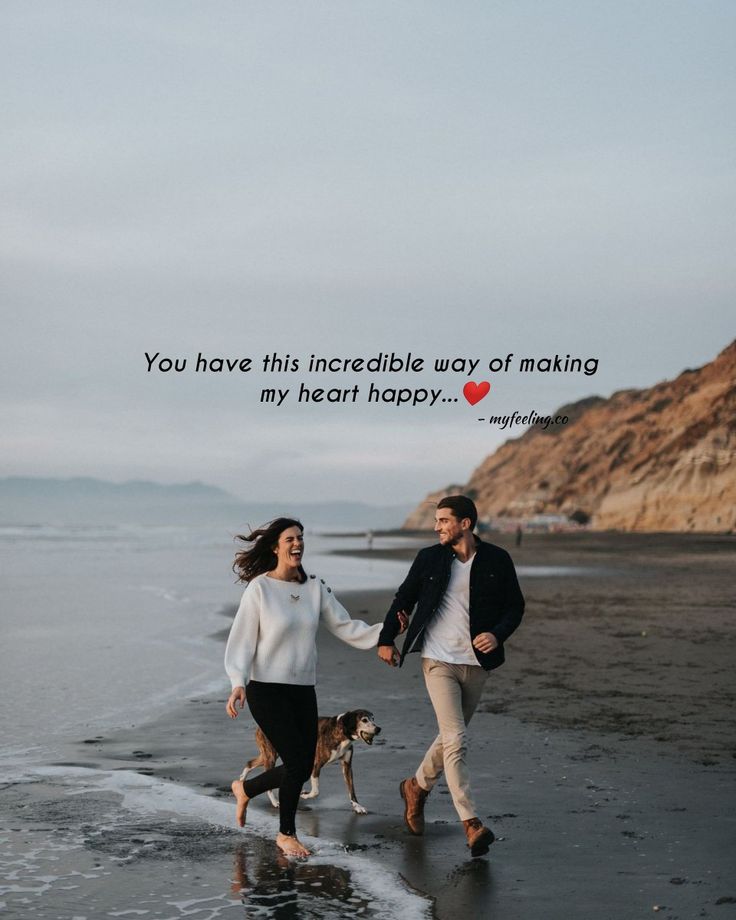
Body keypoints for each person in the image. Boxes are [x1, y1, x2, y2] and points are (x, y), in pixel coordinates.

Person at [225, 517, 386, 858]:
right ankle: (285, 834)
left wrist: (384, 635)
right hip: (265, 689)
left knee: (299, 763)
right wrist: (237, 682)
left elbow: (345, 626)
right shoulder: (260, 589)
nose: (297, 543)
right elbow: (241, 640)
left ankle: (245, 789)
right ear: (275, 547)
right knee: (299, 762)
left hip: (302, 690)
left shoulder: (314, 587)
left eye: (300, 538)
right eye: (290, 539)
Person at [377, 495, 525, 857]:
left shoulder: (497, 559)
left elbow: (515, 605)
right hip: (438, 660)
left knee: (450, 739)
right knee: (456, 738)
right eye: (437, 520)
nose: (437, 526)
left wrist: (497, 634)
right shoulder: (430, 558)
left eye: (444, 520)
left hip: (476, 663)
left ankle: (415, 787)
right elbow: (404, 597)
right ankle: (470, 823)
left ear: (466, 524)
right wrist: (385, 639)